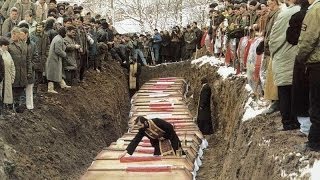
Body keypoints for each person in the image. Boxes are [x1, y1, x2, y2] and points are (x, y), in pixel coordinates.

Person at [295, 0, 320, 151]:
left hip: (317, 63)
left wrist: (300, 57)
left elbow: (308, 38)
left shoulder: (315, 10)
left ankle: (315, 142)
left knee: (316, 104)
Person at [119, 116, 185, 157]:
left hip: (170, 137)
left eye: (140, 125)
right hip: (158, 142)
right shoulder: (142, 130)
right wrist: (125, 152)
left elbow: (170, 127)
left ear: (145, 122)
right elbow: (135, 140)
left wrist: (164, 136)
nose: (139, 127)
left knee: (177, 151)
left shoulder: (157, 121)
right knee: (157, 156)